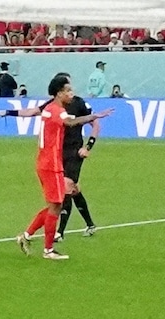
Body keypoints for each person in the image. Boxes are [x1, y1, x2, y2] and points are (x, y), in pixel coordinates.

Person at [0, 74, 110, 261]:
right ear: (59, 93)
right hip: (51, 163)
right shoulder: (57, 111)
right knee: (56, 205)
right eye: (68, 90)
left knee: (56, 204)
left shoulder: (50, 108)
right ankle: (47, 249)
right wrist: (93, 116)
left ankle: (27, 237)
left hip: (48, 161)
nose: (71, 93)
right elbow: (70, 121)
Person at [55, 83, 101, 238]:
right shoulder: (55, 106)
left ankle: (59, 233)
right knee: (74, 190)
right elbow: (35, 112)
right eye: (66, 89)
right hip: (60, 152)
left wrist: (88, 146)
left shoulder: (79, 103)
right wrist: (11, 112)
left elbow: (95, 124)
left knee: (66, 187)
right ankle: (90, 225)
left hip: (75, 152)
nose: (70, 92)